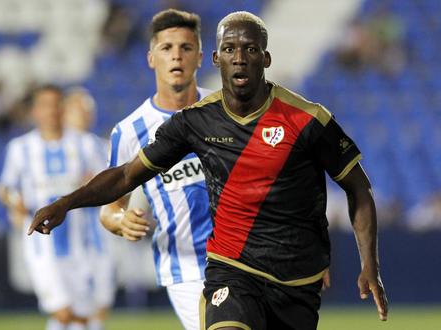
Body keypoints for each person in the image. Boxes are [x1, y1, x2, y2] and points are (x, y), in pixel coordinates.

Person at [28, 11, 389, 330]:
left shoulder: (308, 119)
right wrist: (65, 204)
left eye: (249, 49)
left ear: (265, 57)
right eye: (230, 49)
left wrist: (368, 263)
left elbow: (358, 188)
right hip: (223, 268)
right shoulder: (196, 121)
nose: (240, 58)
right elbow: (126, 176)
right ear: (217, 58)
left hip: (294, 277)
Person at [98, 9, 213, 330]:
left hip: (243, 258)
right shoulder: (131, 131)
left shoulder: (225, 112)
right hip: (186, 269)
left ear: (200, 57)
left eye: (186, 48)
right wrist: (122, 221)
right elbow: (110, 209)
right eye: (166, 48)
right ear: (151, 58)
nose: (176, 56)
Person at [0, 85, 99, 330]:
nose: (51, 110)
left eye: (55, 104)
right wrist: (14, 201)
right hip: (41, 247)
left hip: (80, 243)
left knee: (82, 316)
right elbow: (5, 187)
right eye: (44, 105)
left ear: (63, 109)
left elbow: (106, 179)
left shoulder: (85, 144)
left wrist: (92, 182)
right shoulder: (21, 148)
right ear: (35, 111)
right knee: (63, 312)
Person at [63, 87, 116, 330]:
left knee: (102, 297)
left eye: (87, 109)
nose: (84, 114)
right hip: (69, 235)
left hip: (100, 233)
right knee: (70, 305)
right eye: (78, 108)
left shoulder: (101, 145)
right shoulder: (54, 146)